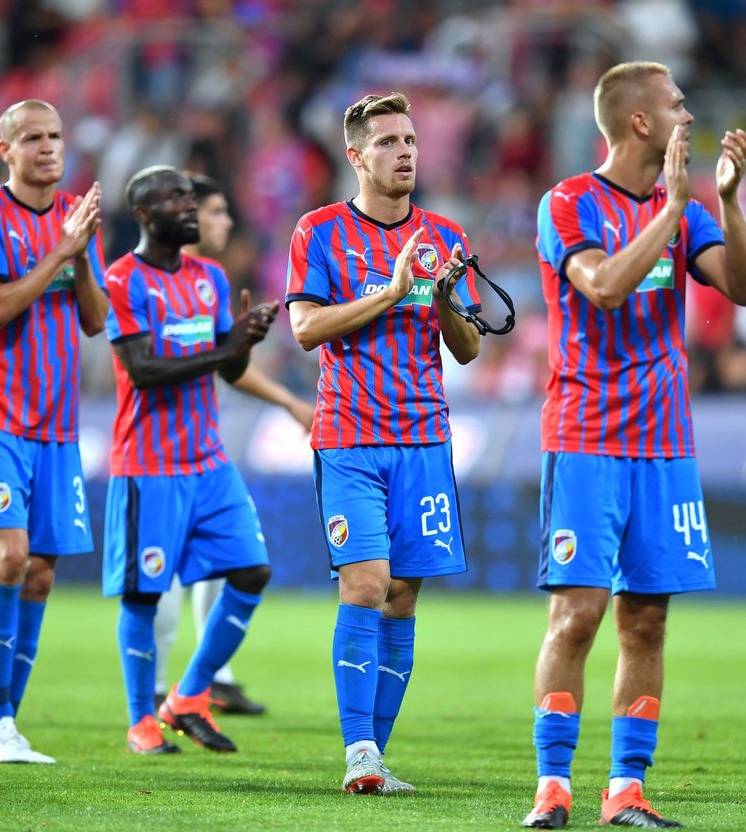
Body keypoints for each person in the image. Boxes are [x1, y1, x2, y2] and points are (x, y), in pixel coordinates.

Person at [521, 61, 746, 830]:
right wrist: (675, 208)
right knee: (578, 614)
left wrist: (724, 202)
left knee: (647, 619)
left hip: (664, 443)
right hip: (586, 437)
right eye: (678, 106)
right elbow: (603, 286)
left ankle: (625, 790)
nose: (689, 115)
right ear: (640, 123)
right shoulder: (568, 202)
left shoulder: (686, 209)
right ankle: (551, 788)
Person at [285, 92, 483, 795]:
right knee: (365, 584)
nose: (405, 152)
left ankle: (376, 759)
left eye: (410, 140)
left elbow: (467, 351)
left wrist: (443, 300)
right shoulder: (319, 232)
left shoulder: (445, 234)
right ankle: (360, 755)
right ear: (357, 155)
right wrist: (395, 288)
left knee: (403, 596)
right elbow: (306, 329)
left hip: (424, 440)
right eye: (389, 142)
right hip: (349, 437)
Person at [0, 98, 107, 765]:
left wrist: (83, 256)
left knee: (40, 574)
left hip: (56, 426)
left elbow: (95, 320)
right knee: (8, 558)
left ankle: (5, 724)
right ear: (5, 149)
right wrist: (59, 253)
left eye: (56, 135)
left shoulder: (75, 217)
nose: (49, 147)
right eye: (34, 138)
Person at [102, 165, 277, 756]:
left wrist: (242, 343)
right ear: (146, 215)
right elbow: (144, 370)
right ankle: (140, 720)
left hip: (208, 460)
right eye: (173, 200)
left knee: (252, 571)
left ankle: (190, 694)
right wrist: (223, 350)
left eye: (189, 198)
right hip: (148, 465)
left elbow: (226, 368)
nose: (188, 208)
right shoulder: (123, 279)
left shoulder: (208, 277)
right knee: (144, 595)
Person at [152, 172, 315, 716]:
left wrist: (276, 387)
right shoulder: (149, 277)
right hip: (154, 450)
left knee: (229, 559)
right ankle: (153, 693)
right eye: (217, 211)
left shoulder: (208, 280)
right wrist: (281, 396)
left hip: (203, 446)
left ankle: (211, 677)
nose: (226, 222)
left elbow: (228, 365)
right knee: (166, 569)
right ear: (186, 215)